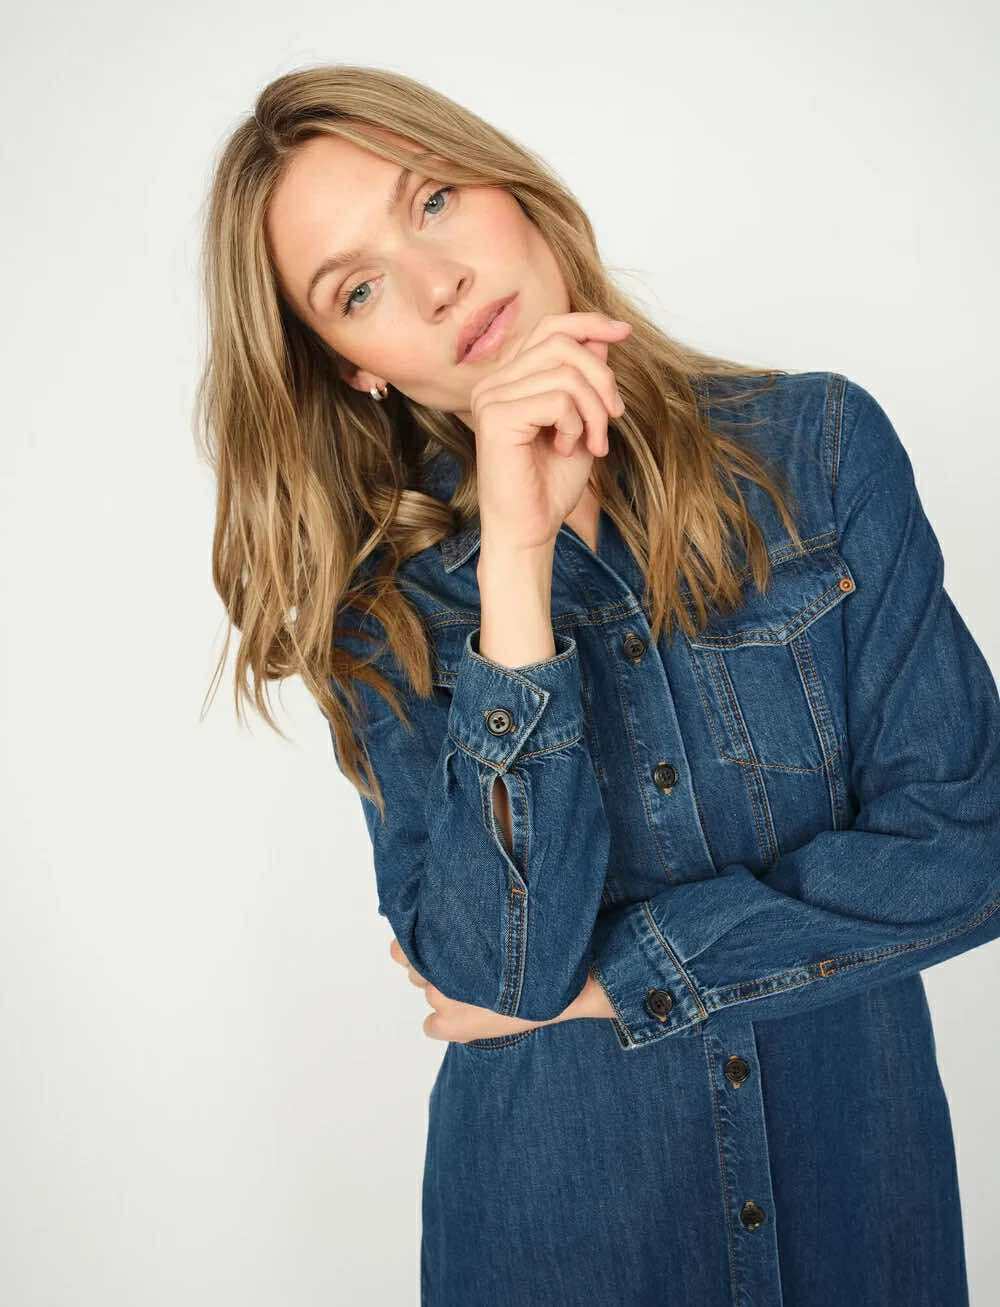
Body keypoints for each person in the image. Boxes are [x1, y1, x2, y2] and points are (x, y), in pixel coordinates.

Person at [195, 63, 1000, 1307]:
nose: (436, 281)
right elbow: (497, 975)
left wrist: (613, 980)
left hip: (858, 1219)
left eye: (432, 200)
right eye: (357, 289)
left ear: (509, 189)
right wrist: (514, 567)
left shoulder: (819, 453)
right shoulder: (380, 614)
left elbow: (969, 847)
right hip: (558, 1245)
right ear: (351, 365)